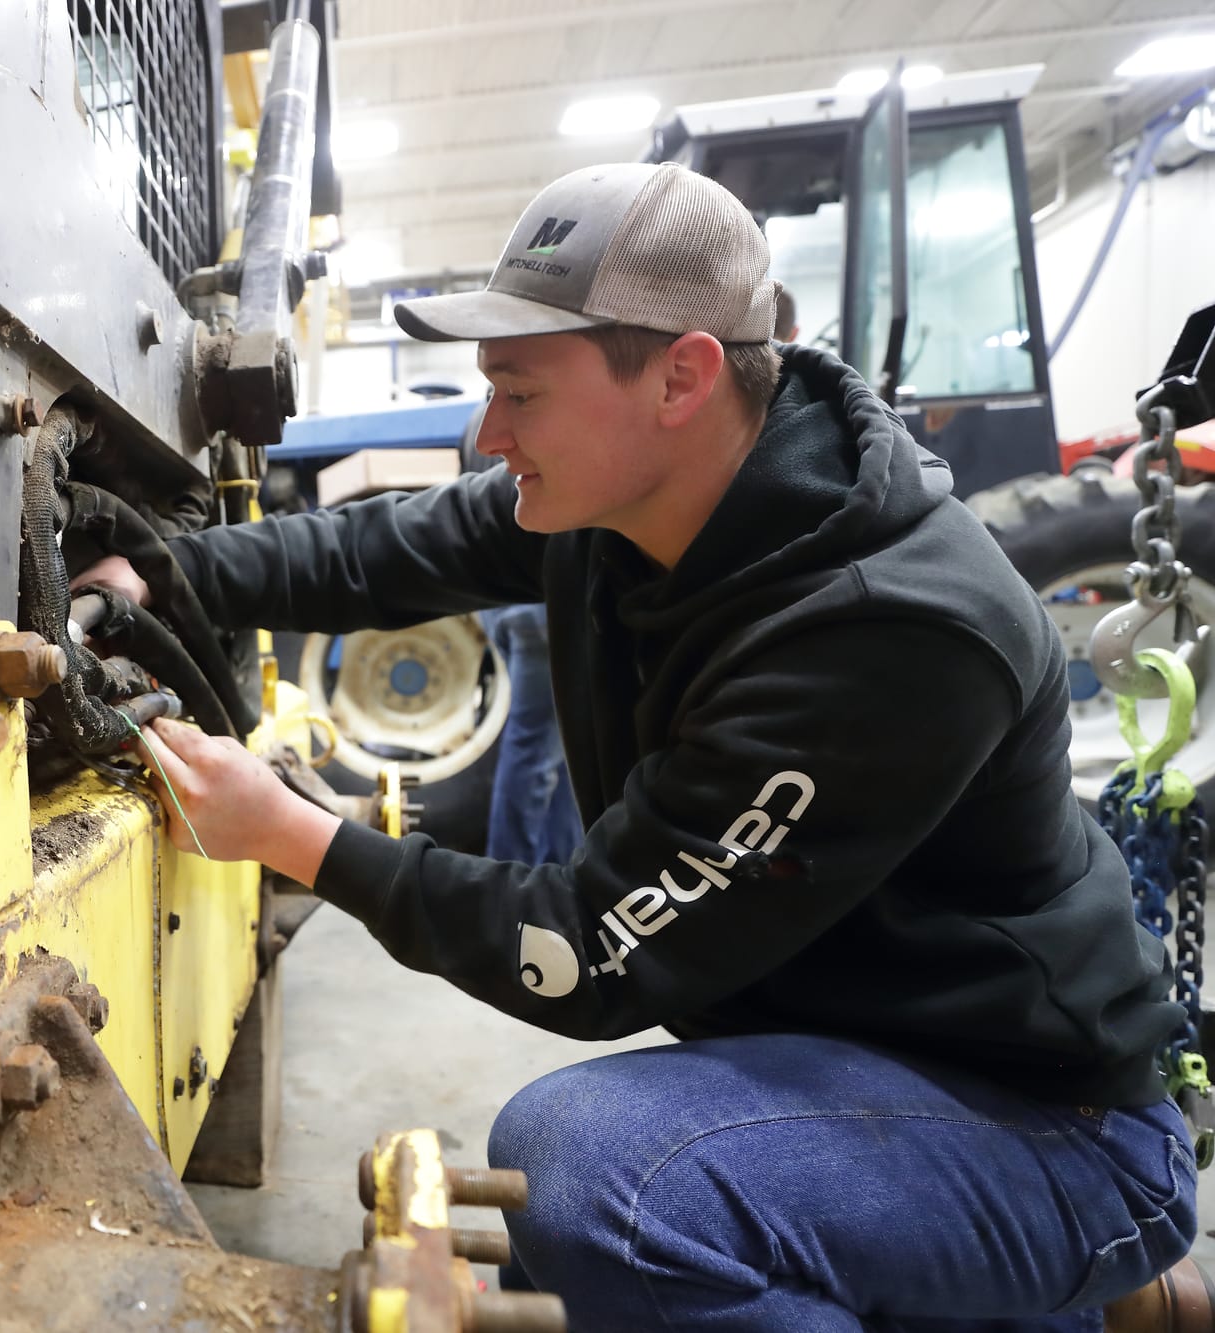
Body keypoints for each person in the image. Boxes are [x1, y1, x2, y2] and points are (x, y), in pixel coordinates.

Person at [77, 161, 1195, 1331]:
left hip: (1046, 1121)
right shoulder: (637, 502)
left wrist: (294, 836)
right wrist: (165, 570)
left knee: (599, 1179)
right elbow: (387, 550)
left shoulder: (884, 634)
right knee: (588, 1253)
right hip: (851, 1053)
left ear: (680, 374)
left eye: (519, 391)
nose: (486, 429)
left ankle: (1062, 1264)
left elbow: (589, 952)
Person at [460, 405, 584, 863]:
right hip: (542, 604)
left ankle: (564, 864)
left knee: (553, 750)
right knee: (539, 751)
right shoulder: (533, 416)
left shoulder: (477, 424)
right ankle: (513, 874)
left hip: (504, 605)